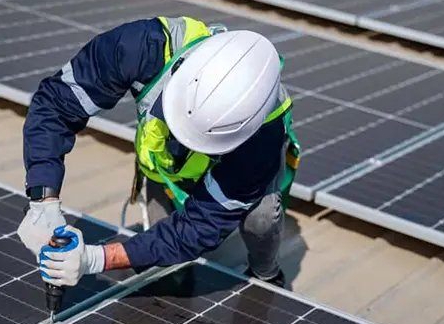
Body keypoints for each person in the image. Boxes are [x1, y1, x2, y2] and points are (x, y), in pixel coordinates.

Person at [16, 16, 300, 290]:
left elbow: (200, 227)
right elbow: (56, 105)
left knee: (260, 219)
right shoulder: (142, 46)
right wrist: (43, 199)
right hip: (164, 170)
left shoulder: (263, 137)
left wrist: (97, 258)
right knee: (165, 261)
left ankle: (267, 274)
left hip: (238, 172)